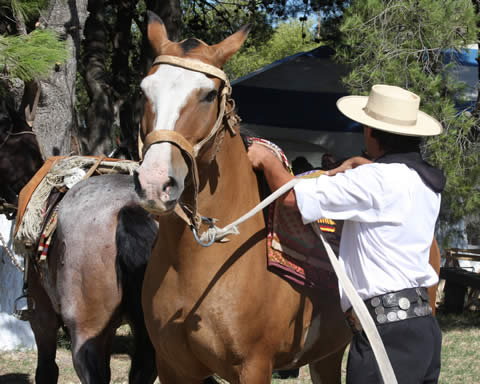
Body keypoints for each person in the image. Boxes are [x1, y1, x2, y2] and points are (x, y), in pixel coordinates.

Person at [247, 84, 444, 383]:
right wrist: (358, 166)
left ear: (370, 131)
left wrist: (267, 159)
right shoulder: (424, 182)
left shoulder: (374, 180)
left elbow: (292, 198)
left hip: (385, 335)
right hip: (422, 330)